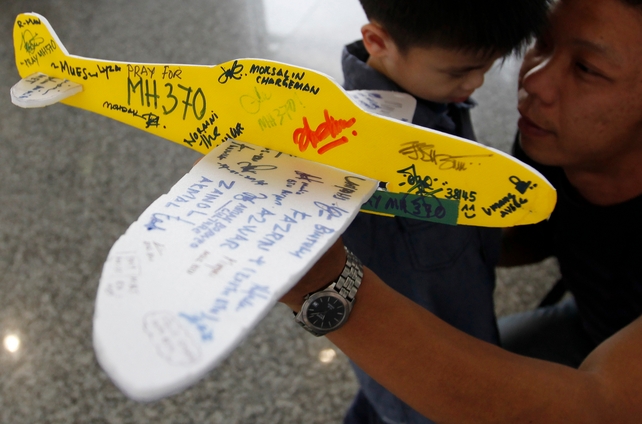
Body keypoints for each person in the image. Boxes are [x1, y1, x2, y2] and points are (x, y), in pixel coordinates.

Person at [282, 0, 642, 422]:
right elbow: (534, 234)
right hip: (591, 326)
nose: (534, 83)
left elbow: (600, 404)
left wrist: (323, 286)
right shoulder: (553, 143)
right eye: (542, 44)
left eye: (588, 69)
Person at [338, 1, 549, 423]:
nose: (476, 83)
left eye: (487, 66)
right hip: (412, 354)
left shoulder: (434, 94)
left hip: (464, 307)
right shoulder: (348, 147)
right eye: (458, 72)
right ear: (377, 42)